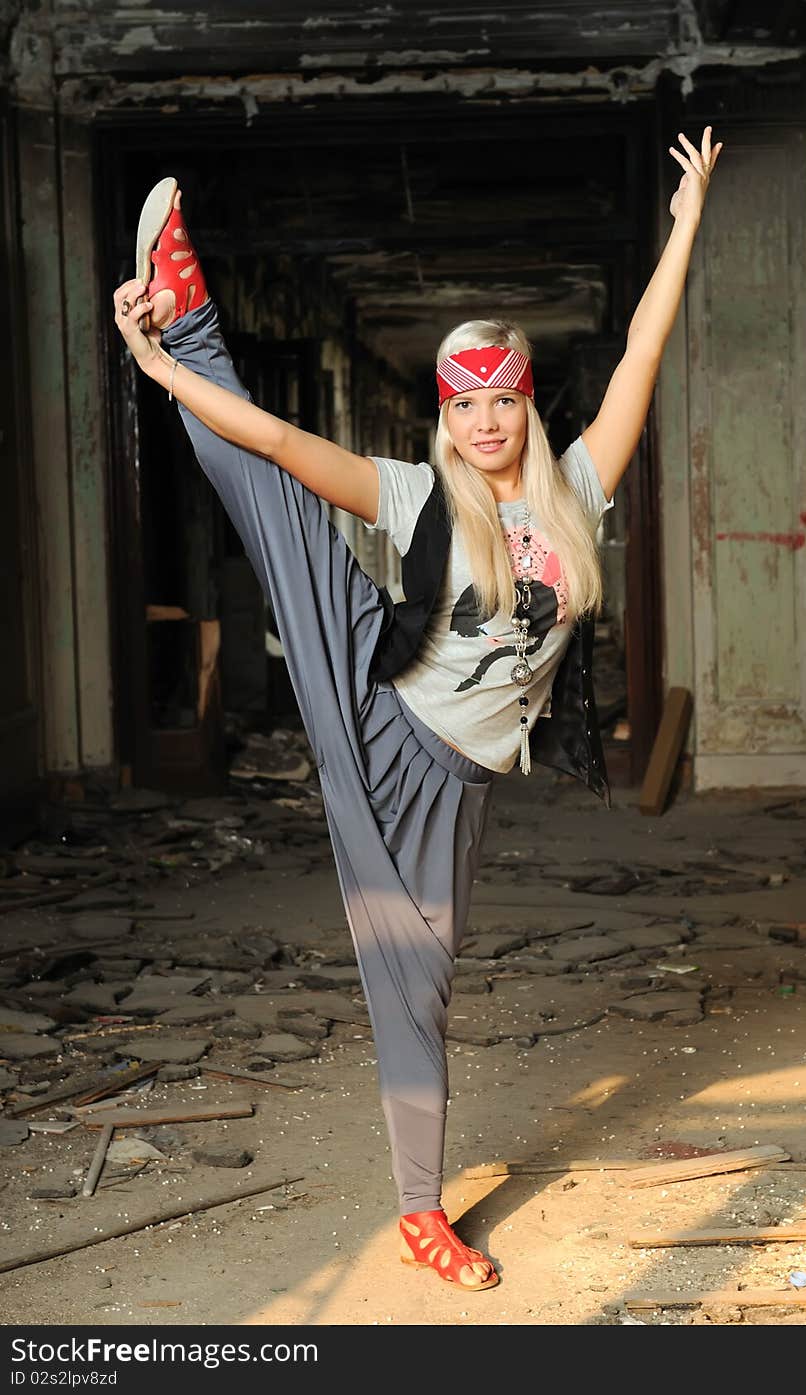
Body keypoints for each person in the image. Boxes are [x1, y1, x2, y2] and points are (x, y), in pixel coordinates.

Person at [112, 125, 721, 1292]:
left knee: (418, 987)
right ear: (442, 419)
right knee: (286, 515)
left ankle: (413, 1211)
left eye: (500, 399)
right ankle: (187, 315)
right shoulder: (414, 492)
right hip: (378, 702)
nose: (484, 422)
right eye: (463, 405)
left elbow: (645, 344)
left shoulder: (581, 486)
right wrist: (166, 373)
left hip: (458, 784)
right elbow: (284, 442)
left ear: (525, 407)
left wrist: (686, 219)